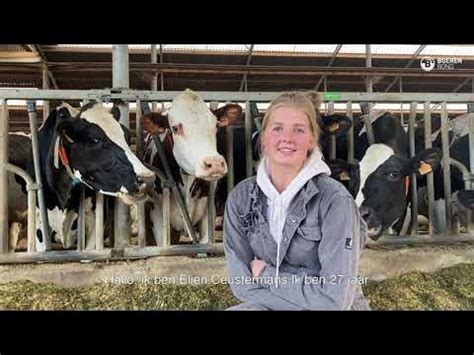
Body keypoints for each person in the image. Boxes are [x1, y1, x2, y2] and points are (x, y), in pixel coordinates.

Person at [223, 91, 369, 310]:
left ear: (312, 140)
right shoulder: (241, 198)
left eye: (298, 130)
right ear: (263, 138)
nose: (287, 138)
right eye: (278, 128)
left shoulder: (335, 201)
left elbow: (334, 300)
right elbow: (242, 285)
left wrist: (265, 274)